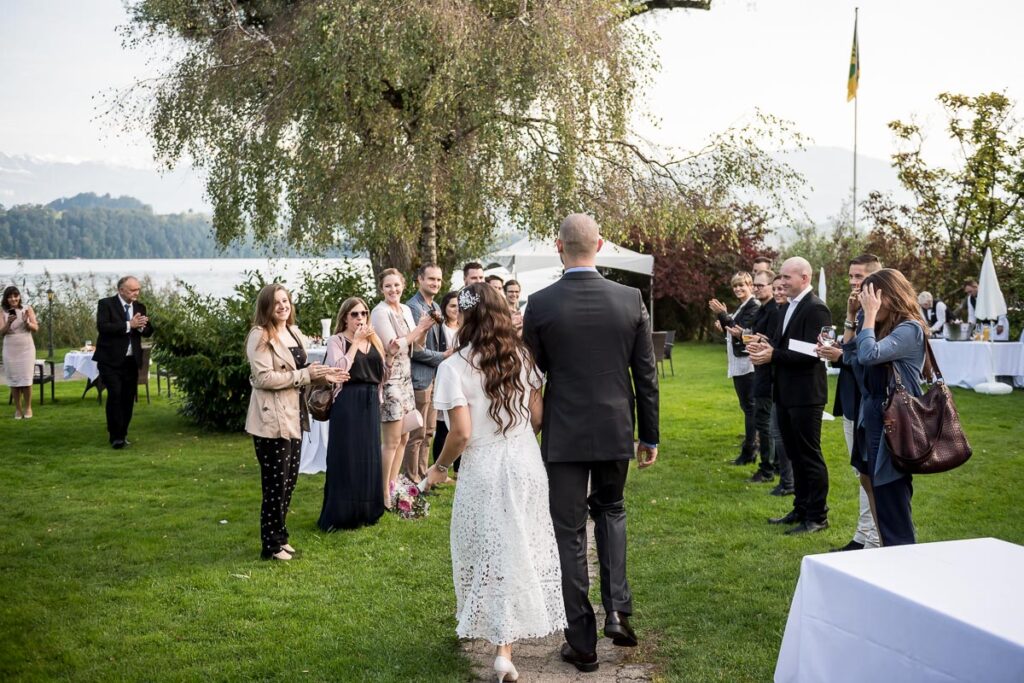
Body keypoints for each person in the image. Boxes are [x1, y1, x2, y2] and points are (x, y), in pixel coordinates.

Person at [523, 213, 659, 673]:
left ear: (559, 248)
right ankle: (618, 610)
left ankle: (581, 640)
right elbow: (646, 374)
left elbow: (530, 373)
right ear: (599, 245)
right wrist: (650, 433)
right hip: (615, 426)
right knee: (612, 510)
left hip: (563, 429)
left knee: (568, 531)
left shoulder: (540, 304)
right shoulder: (629, 299)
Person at [424, 283, 566, 683]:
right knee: (520, 544)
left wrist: (438, 468)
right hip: (524, 460)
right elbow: (537, 419)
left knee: (488, 546)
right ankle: (505, 646)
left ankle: (501, 644)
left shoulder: (452, 368)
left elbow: (461, 434)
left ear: (464, 317)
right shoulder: (521, 357)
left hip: (483, 466)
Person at [244, 284, 344, 560]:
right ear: (266, 306)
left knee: (288, 481)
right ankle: (270, 545)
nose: (282, 306)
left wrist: (325, 375)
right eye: (276, 302)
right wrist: (306, 376)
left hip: (295, 415)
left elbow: (305, 372)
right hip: (270, 418)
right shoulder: (260, 335)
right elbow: (264, 379)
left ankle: (280, 535)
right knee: (274, 483)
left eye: (285, 301)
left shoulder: (293, 331)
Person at [842, 269, 928, 546]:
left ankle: (903, 557)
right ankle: (884, 550)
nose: (866, 301)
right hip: (871, 420)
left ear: (889, 297)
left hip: (895, 423)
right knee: (871, 486)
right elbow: (850, 357)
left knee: (891, 494)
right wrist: (852, 316)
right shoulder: (880, 329)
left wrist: (867, 316)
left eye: (871, 296)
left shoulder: (909, 329)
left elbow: (868, 355)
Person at [749, 257, 832, 535]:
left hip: (807, 394)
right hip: (784, 391)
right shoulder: (788, 305)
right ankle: (801, 508)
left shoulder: (817, 309)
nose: (781, 282)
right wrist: (765, 346)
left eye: (787, 277)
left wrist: (774, 354)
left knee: (809, 455)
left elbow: (814, 353)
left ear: (805, 278)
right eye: (780, 277)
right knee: (794, 454)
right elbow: (784, 344)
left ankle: (818, 516)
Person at [817, 254, 882, 552]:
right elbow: (846, 346)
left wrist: (841, 355)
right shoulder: (859, 310)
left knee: (870, 473)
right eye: (851, 277)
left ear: (875, 277)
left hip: (868, 401)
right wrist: (848, 314)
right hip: (850, 397)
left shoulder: (881, 312)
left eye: (859, 277)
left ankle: (874, 540)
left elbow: (867, 357)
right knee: (861, 473)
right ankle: (863, 536)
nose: (854, 282)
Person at [318, 297, 385, 531]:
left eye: (364, 313)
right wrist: (355, 343)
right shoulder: (336, 340)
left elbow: (381, 372)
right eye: (355, 314)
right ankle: (341, 513)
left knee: (369, 456)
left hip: (369, 403)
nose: (360, 318)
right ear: (345, 316)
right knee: (346, 456)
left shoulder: (373, 340)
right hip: (347, 401)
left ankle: (367, 510)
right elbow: (340, 369)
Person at [371, 268, 435, 507]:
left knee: (405, 435)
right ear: (381, 289)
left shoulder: (406, 310)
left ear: (403, 286)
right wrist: (417, 330)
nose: (393, 290)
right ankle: (382, 493)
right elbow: (393, 347)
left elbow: (415, 345)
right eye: (388, 286)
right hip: (390, 381)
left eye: (396, 285)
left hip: (406, 378)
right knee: (391, 439)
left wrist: (423, 329)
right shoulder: (380, 312)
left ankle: (393, 484)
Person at [93, 276, 154, 448]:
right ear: (121, 290)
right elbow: (103, 327)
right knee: (115, 395)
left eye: (138, 290)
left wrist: (142, 326)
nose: (137, 293)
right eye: (133, 290)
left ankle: (123, 433)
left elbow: (148, 331)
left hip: (131, 361)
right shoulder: (106, 304)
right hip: (110, 360)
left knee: (128, 398)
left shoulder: (140, 307)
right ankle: (115, 437)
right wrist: (129, 324)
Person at [403, 264, 451, 482]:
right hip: (420, 377)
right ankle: (410, 478)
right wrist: (443, 356)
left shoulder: (436, 308)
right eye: (431, 279)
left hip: (434, 378)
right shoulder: (413, 308)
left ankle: (423, 477)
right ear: (419, 280)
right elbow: (415, 350)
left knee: (429, 431)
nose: (435, 283)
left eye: (438, 280)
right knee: (416, 434)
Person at [709, 272, 760, 466]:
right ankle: (751, 448)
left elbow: (744, 332)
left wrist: (723, 314)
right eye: (735, 286)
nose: (738, 289)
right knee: (747, 407)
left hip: (747, 364)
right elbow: (733, 329)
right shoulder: (743, 306)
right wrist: (723, 325)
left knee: (750, 408)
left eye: (742, 285)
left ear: (750, 286)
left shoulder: (753, 306)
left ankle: (750, 450)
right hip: (738, 361)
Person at [746, 270, 778, 483]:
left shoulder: (775, 310)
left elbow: (775, 341)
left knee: (764, 421)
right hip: (760, 370)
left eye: (760, 285)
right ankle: (771, 465)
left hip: (769, 374)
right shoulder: (763, 309)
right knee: (763, 419)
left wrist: (758, 339)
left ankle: (767, 468)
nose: (756, 288)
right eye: (755, 285)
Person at [767, 275, 795, 496]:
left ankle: (789, 483)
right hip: (777, 381)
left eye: (781, 288)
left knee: (785, 438)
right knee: (777, 433)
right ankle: (787, 482)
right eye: (774, 288)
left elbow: (795, 349)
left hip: (793, 387)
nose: (778, 292)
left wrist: (771, 351)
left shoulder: (796, 311)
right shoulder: (780, 312)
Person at [432, 291, 462, 477]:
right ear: (444, 308)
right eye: (452, 306)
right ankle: (440, 466)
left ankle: (459, 467)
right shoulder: (440, 329)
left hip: (461, 378)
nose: (455, 310)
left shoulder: (465, 328)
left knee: (460, 422)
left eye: (458, 306)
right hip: (444, 376)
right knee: (442, 425)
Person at [1, 286, 40, 419]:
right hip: (10, 349)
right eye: (10, 296)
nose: (13, 299)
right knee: (14, 381)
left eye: (15, 296)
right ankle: (18, 409)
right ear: (6, 298)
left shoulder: (27, 309)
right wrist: (8, 323)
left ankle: (28, 407)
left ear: (19, 296)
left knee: (26, 379)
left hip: (26, 348)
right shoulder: (2, 311)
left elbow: (35, 328)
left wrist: (27, 323)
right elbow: (1, 332)